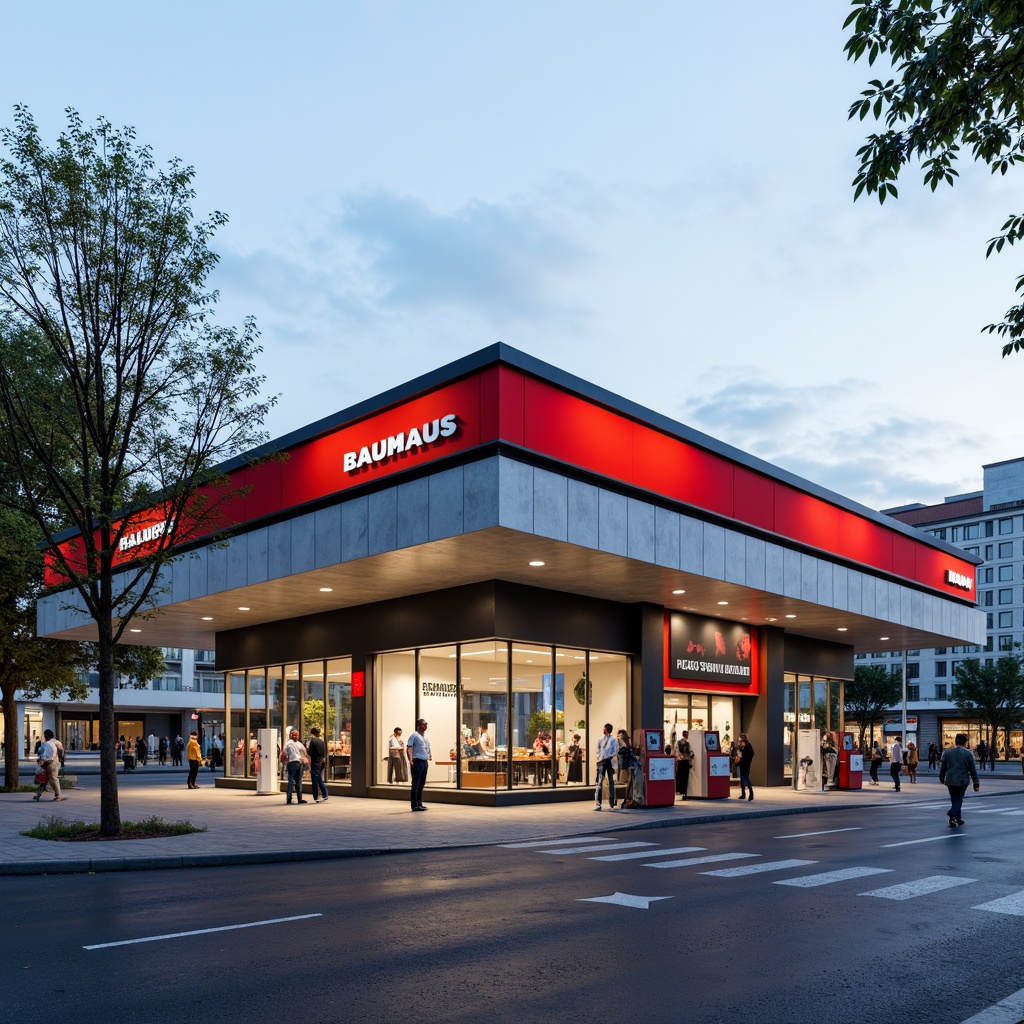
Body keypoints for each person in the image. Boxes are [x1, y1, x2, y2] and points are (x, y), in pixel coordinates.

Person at [939, 732, 980, 828]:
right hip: (962, 780)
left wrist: (941, 778)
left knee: (954, 798)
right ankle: (952, 813)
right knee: (959, 799)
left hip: (950, 779)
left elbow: (943, 767)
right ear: (965, 742)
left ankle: (956, 818)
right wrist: (976, 782)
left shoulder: (947, 752)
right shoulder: (968, 753)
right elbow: (972, 769)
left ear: (955, 742)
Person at [407, 718, 431, 811]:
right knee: (415, 783)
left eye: (426, 724)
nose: (426, 726)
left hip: (424, 761)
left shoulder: (425, 737)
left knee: (421, 783)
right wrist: (411, 760)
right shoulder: (414, 736)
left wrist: (429, 756)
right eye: (424, 724)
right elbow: (409, 747)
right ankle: (414, 804)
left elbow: (427, 748)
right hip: (417, 761)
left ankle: (419, 802)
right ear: (419, 725)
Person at [33, 729, 63, 802]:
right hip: (53, 761)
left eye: (45, 736)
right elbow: (61, 752)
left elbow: (47, 754)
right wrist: (60, 760)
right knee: (44, 778)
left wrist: (42, 760)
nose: (44, 737)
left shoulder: (49, 743)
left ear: (47, 736)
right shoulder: (57, 742)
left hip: (51, 762)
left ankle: (58, 795)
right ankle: (38, 794)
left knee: (52, 778)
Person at [594, 722, 618, 811]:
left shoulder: (613, 740)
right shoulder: (600, 739)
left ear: (607, 730)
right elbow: (598, 749)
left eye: (604, 728)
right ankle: (598, 804)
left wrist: (606, 758)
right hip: (601, 762)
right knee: (599, 783)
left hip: (609, 762)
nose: (603, 730)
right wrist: (598, 759)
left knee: (611, 782)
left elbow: (614, 751)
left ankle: (611, 804)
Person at [282, 728, 308, 804]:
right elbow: (304, 751)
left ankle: (289, 799)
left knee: (290, 781)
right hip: (298, 763)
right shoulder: (299, 744)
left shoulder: (287, 744)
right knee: (299, 781)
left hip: (290, 763)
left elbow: (285, 754)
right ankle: (299, 799)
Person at [307, 726, 328, 803]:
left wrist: (307, 750)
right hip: (322, 761)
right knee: (319, 778)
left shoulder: (313, 741)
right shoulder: (321, 741)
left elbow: (310, 752)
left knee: (315, 780)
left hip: (315, 762)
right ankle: (325, 794)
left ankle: (316, 796)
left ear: (312, 733)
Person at [736, 733, 755, 801]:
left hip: (746, 765)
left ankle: (751, 793)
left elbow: (748, 756)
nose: (739, 743)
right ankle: (743, 794)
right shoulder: (742, 748)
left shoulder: (748, 749)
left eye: (740, 741)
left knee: (746, 778)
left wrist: (741, 756)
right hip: (742, 765)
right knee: (742, 779)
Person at [675, 730, 693, 799]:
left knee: (680, 777)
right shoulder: (688, 743)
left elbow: (677, 751)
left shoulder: (678, 742)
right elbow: (690, 752)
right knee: (685, 778)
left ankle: (679, 790)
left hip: (680, 761)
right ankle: (684, 793)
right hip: (686, 761)